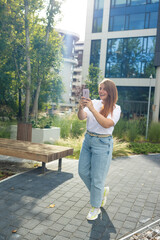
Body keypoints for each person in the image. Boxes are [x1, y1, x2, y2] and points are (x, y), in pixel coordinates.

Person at [78, 79, 121, 221]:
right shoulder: (94, 102)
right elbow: (81, 117)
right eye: (100, 88)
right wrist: (80, 107)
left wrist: (91, 109)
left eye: (104, 89)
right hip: (88, 140)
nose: (101, 91)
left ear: (111, 92)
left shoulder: (116, 109)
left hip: (103, 144)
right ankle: (101, 192)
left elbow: (106, 124)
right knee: (82, 172)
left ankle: (95, 207)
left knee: (97, 178)